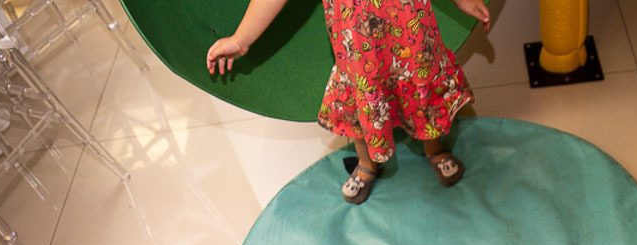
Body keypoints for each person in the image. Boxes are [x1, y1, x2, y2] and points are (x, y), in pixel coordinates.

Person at [206, 0, 491, 204]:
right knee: (362, 99)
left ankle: (434, 148)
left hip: (412, 34)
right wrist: (242, 39)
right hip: (358, 47)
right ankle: (367, 164)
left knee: (423, 90)